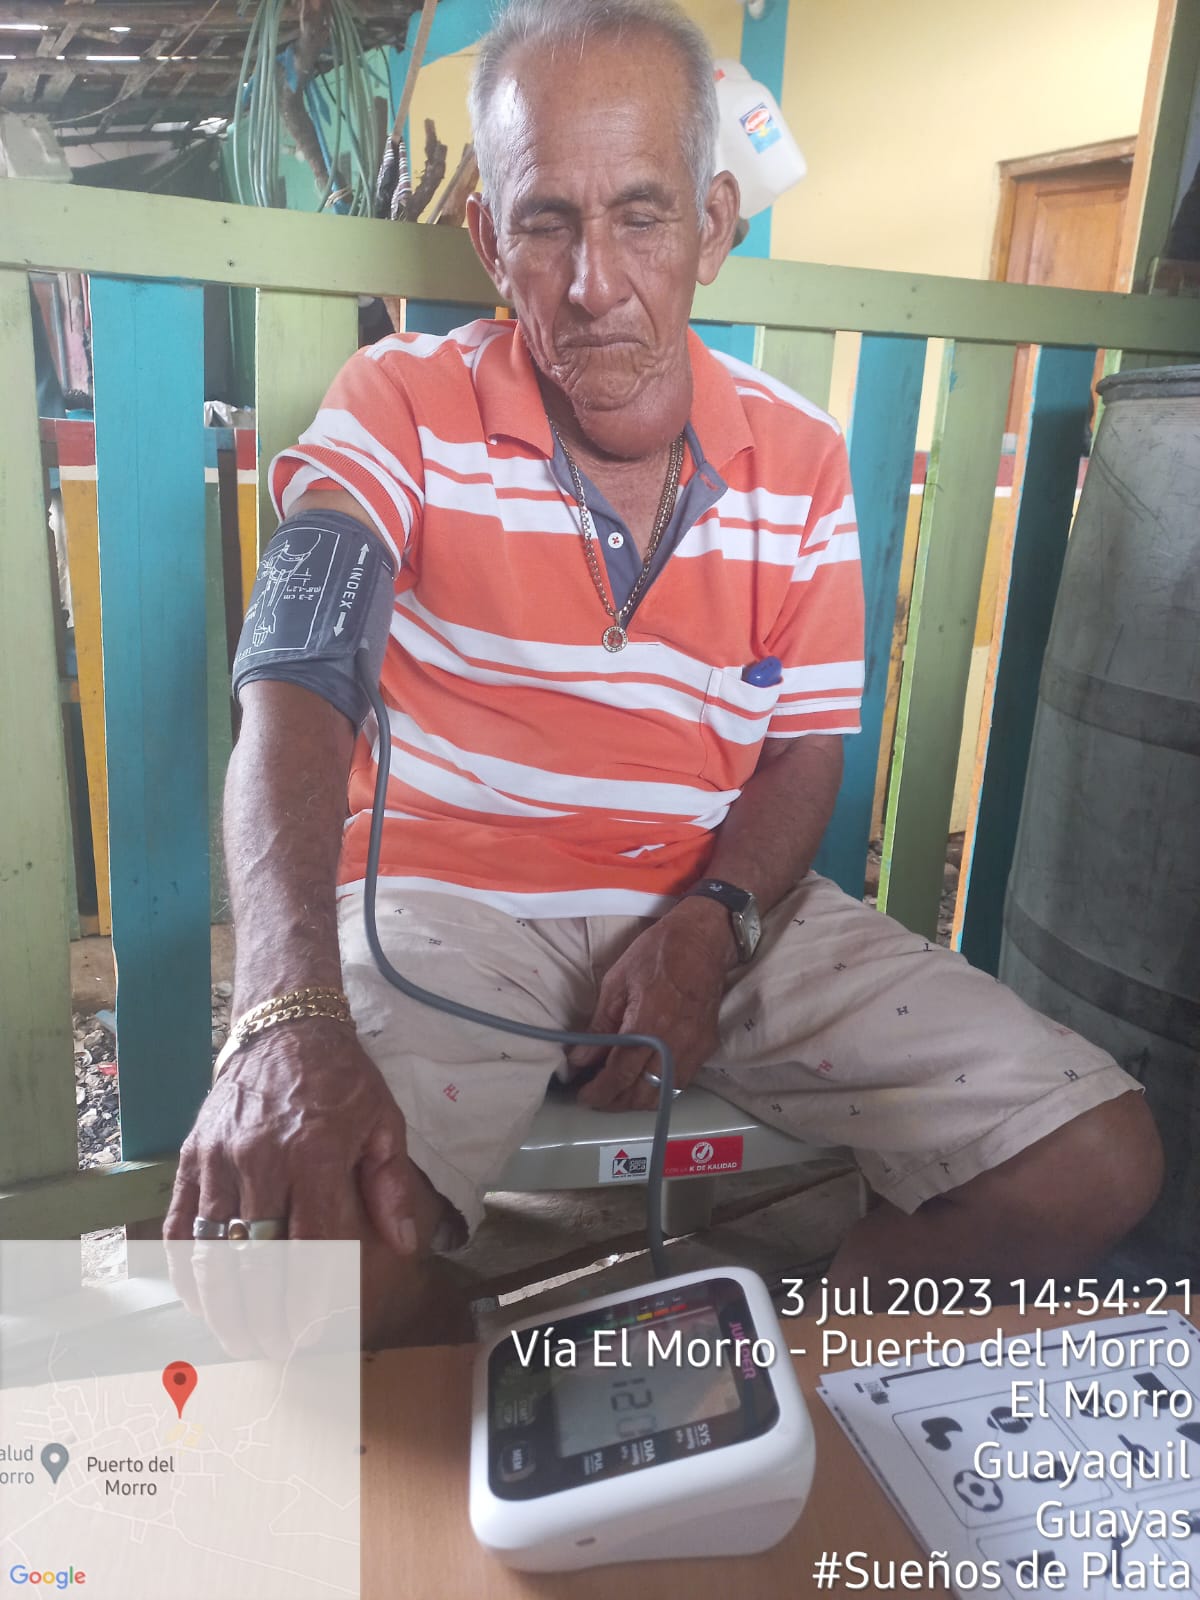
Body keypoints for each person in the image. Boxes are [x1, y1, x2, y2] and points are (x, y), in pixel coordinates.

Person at [165, 0, 1161, 1343]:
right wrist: (282, 1009)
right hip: (446, 904)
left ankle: (783, 1370)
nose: (593, 283)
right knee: (305, 1275)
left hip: (722, 908)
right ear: (489, 241)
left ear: (714, 224)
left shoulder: (799, 460)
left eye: (641, 215)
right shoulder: (399, 401)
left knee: (1095, 1158)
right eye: (546, 223)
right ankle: (541, 1382)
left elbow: (802, 751)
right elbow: (296, 675)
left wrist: (715, 922)